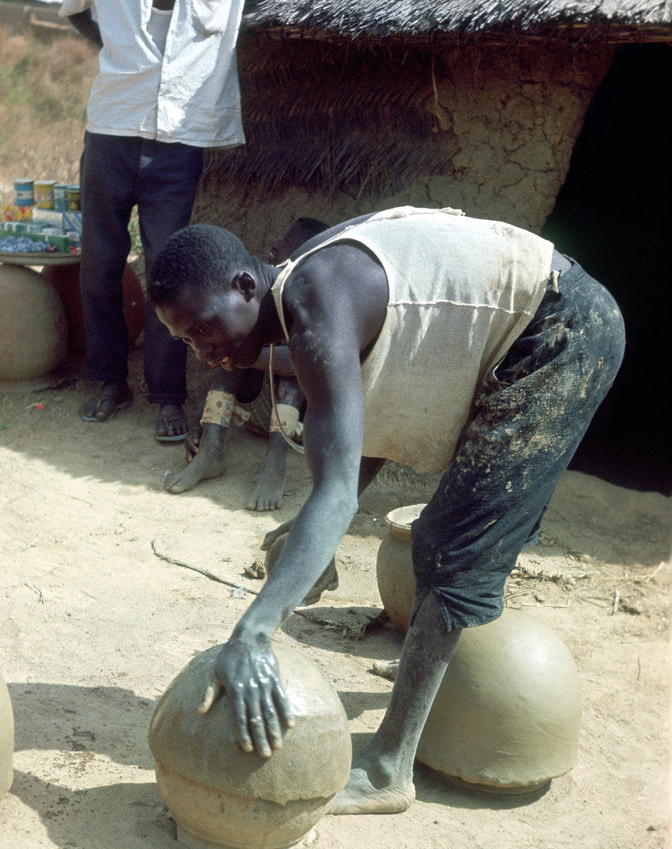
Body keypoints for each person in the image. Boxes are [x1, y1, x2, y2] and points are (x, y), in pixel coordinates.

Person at [148, 206, 625, 815]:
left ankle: (387, 769)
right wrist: (307, 535)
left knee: (452, 546)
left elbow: (338, 489)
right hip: (539, 323)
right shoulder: (310, 290)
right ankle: (419, 694)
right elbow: (368, 424)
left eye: (204, 327)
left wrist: (255, 631)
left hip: (562, 329)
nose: (202, 350)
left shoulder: (317, 301)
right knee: (418, 539)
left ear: (245, 286)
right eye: (186, 340)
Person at [59, 0, 281, 441]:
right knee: (100, 262)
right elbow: (75, 9)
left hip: (180, 138)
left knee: (168, 273)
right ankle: (108, 380)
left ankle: (167, 396)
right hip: (111, 127)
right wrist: (121, 51)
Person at [165, 217, 328, 508]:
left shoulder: (310, 303)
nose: (277, 245)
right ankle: (210, 452)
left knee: (291, 360)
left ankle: (274, 465)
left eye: (288, 244)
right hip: (253, 409)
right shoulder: (254, 304)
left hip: (296, 424)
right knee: (228, 344)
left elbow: (299, 363)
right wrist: (201, 416)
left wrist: (245, 358)